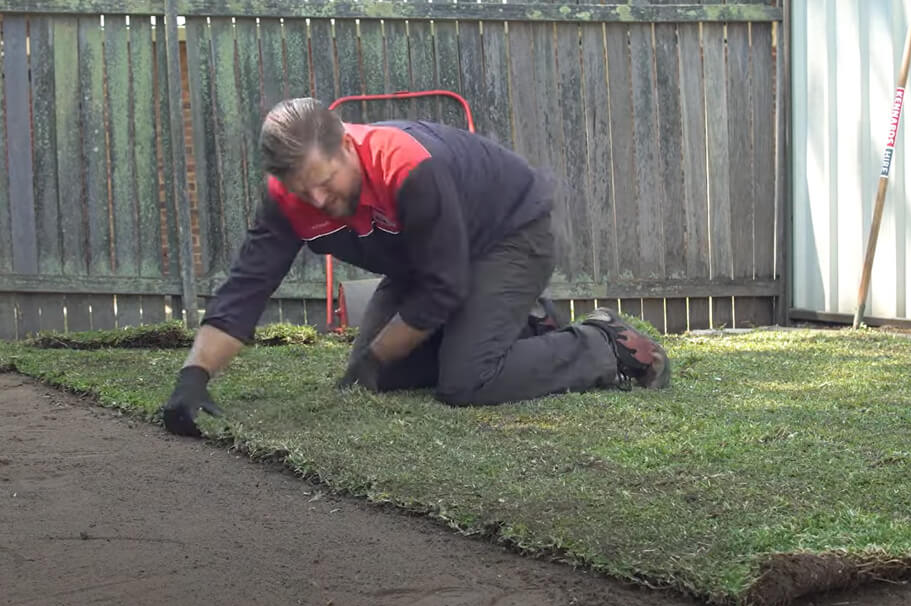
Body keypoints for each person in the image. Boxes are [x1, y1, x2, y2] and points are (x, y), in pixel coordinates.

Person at [161, 98, 670, 437]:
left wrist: (375, 357)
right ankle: (525, 326)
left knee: (467, 382)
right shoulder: (288, 200)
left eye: (326, 178)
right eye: (302, 189)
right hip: (422, 263)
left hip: (508, 235)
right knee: (384, 374)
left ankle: (608, 347)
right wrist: (194, 377)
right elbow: (246, 288)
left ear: (347, 146)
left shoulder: (405, 166)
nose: (317, 197)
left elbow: (440, 290)